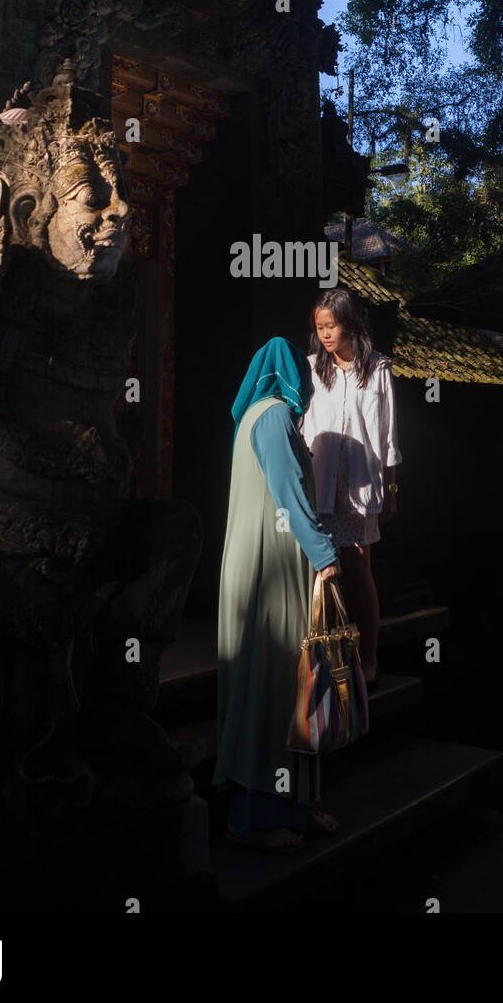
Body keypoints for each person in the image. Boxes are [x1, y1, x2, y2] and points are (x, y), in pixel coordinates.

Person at [213, 337, 341, 853]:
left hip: (264, 561)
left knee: (289, 686)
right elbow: (289, 491)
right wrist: (324, 553)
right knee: (274, 689)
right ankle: (253, 820)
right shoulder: (272, 419)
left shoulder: (253, 417)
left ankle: (295, 806)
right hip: (273, 564)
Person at [302, 289, 401, 690]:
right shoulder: (310, 368)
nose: (325, 334)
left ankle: (369, 657)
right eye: (320, 328)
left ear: (350, 324)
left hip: (361, 483)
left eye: (332, 325)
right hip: (320, 480)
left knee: (359, 569)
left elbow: (389, 432)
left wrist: (392, 486)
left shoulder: (377, 369)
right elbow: (301, 424)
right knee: (324, 572)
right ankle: (329, 659)